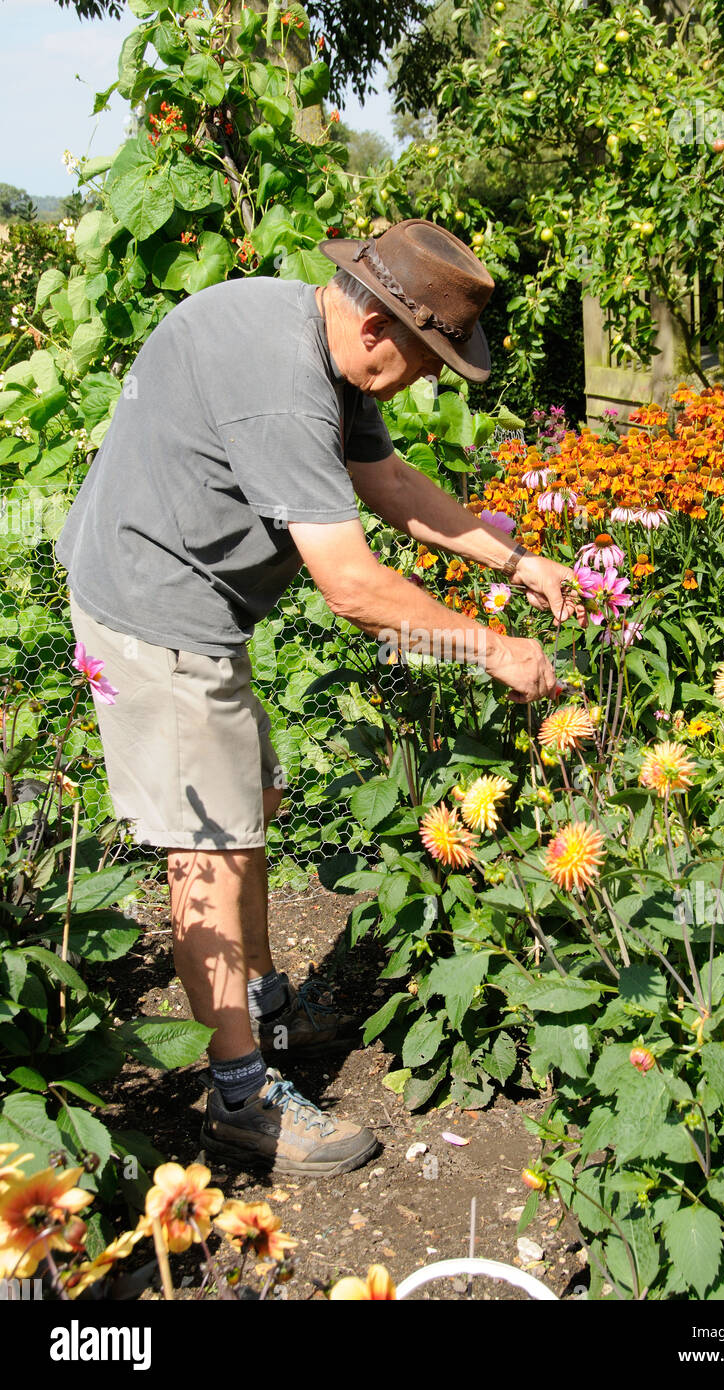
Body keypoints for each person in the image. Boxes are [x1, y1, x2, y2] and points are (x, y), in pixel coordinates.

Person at [55, 218, 579, 1179]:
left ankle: (260, 1006)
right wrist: (492, 649)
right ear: (379, 326)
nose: (421, 383)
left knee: (249, 804)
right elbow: (352, 587)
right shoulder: (285, 387)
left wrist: (513, 560)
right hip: (153, 607)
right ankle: (240, 1098)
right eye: (425, 363)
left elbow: (386, 481)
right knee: (207, 850)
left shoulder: (321, 344)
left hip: (202, 608)